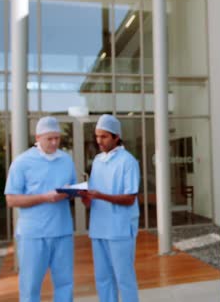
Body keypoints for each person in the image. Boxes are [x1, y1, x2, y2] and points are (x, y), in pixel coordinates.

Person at [5, 116, 77, 302]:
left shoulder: (66, 160)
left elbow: (74, 189)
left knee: (65, 283)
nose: (54, 143)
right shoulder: (22, 162)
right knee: (30, 286)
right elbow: (11, 199)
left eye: (57, 138)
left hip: (62, 232)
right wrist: (44, 197)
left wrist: (70, 193)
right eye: (49, 139)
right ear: (37, 138)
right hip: (33, 234)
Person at [80, 114, 140, 302]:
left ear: (116, 137)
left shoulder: (128, 161)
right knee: (103, 279)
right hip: (99, 229)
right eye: (97, 136)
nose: (99, 141)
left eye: (104, 136)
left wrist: (100, 195)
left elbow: (130, 198)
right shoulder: (97, 161)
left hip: (119, 229)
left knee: (124, 279)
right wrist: (86, 198)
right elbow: (95, 195)